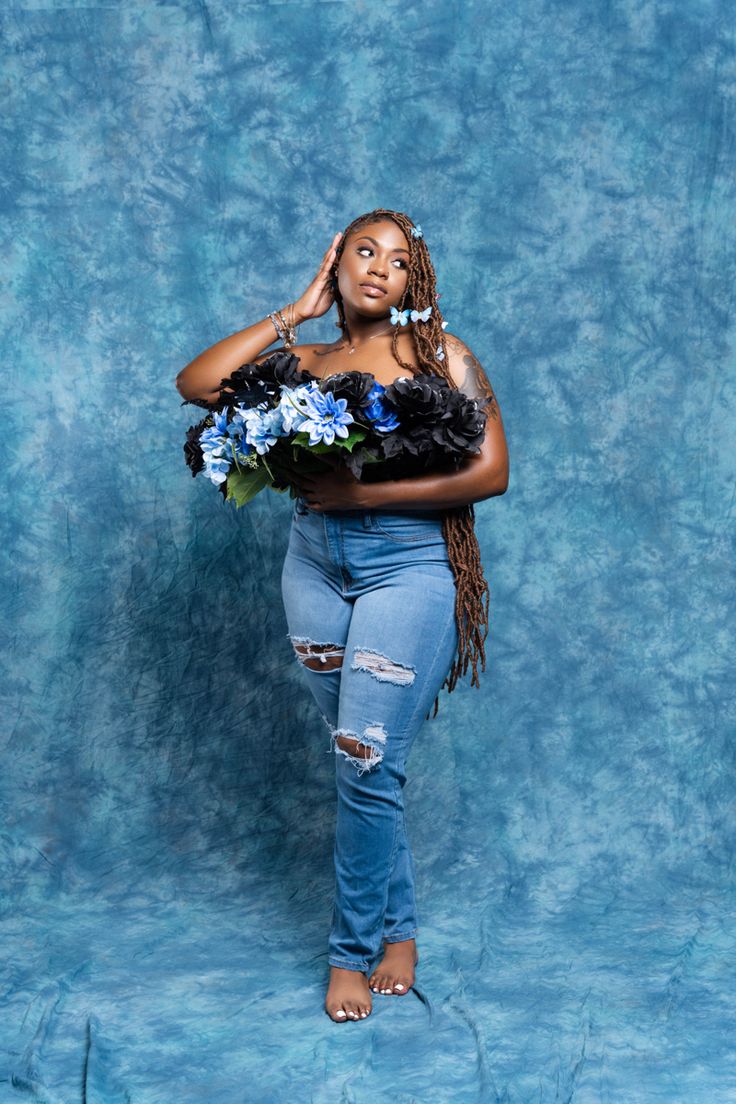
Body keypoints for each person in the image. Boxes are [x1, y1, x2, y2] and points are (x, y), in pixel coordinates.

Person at [176, 208, 509, 1024]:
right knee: (364, 766)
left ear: (412, 282)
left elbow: (492, 471)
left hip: (408, 569)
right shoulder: (306, 359)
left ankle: (348, 953)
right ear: (338, 263)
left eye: (398, 262)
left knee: (364, 762)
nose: (378, 268)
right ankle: (399, 933)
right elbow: (196, 382)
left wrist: (368, 492)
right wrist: (295, 308)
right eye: (364, 251)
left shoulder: (440, 356)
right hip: (314, 568)